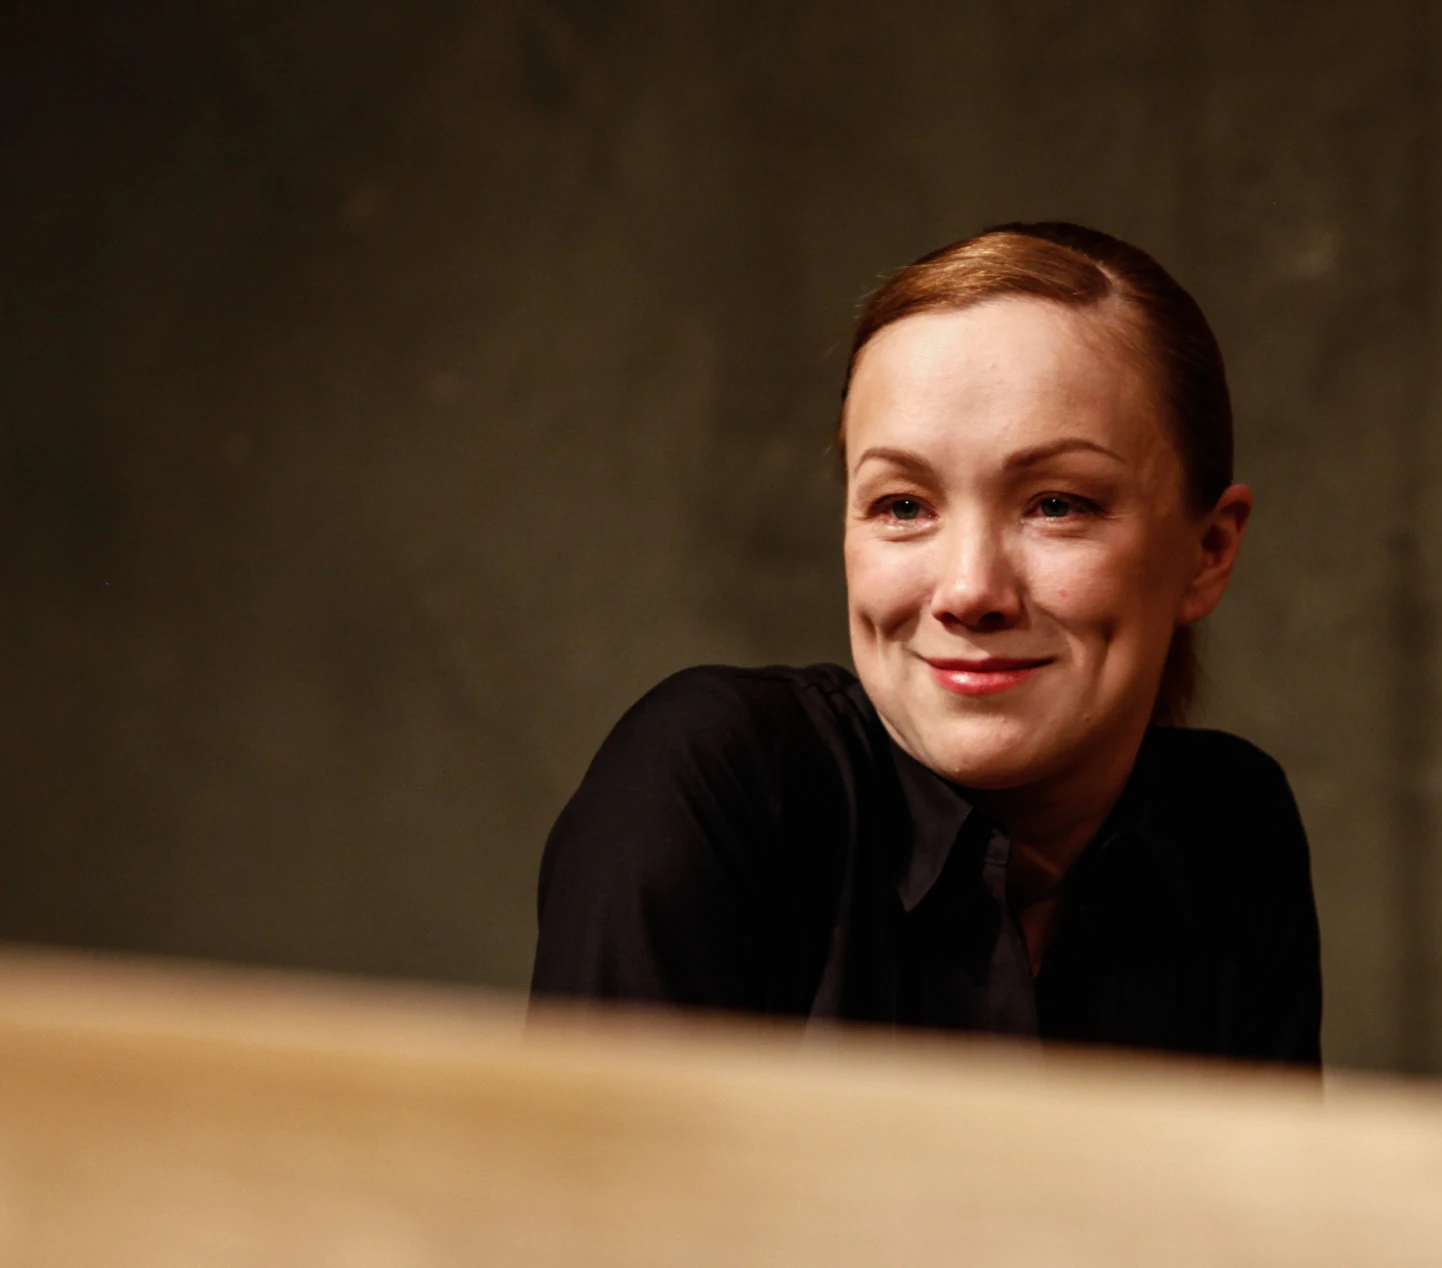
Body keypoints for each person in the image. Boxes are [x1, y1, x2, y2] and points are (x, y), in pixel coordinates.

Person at [531, 222, 1320, 1067]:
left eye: (1057, 504)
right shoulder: (711, 780)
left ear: (1209, 553)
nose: (969, 592)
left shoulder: (1234, 835)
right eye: (903, 506)